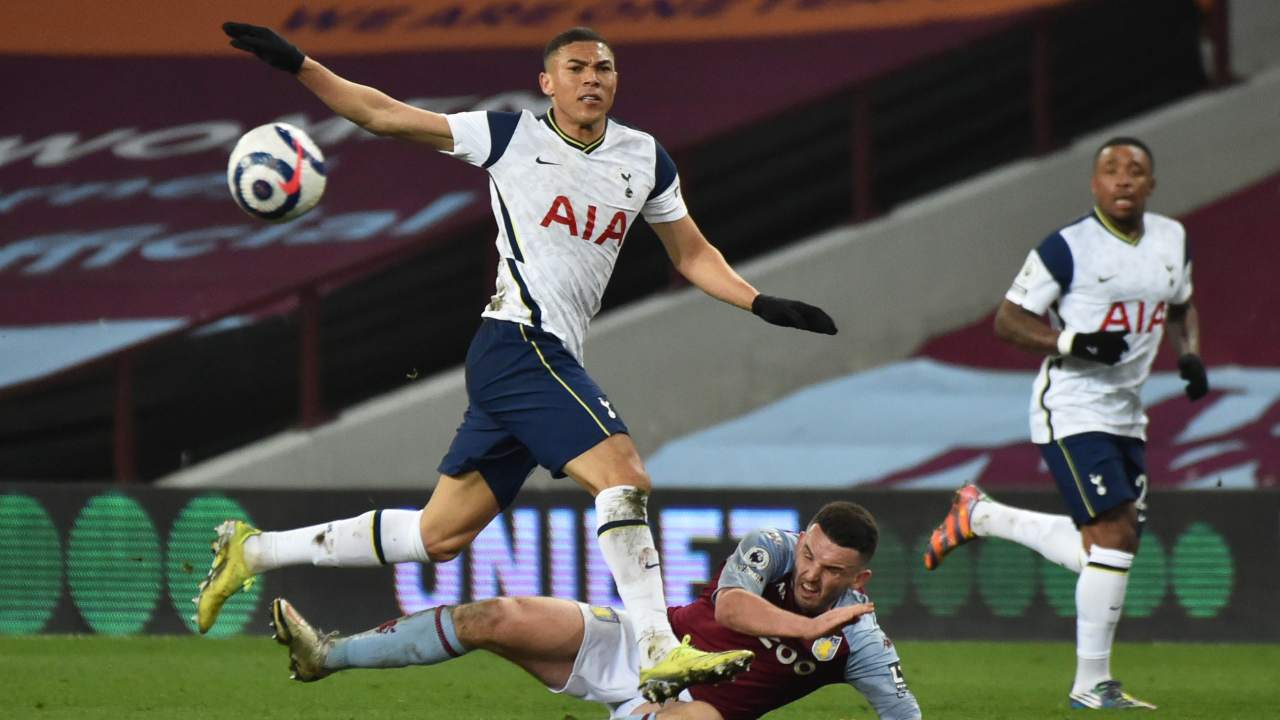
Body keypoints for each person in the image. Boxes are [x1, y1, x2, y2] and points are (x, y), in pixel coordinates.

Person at [198, 23, 839, 701]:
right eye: (577, 67)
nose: (593, 78)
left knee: (437, 535)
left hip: (539, 356)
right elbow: (380, 114)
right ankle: (659, 646)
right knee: (622, 475)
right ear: (548, 83)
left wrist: (759, 302)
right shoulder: (509, 138)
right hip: (518, 342)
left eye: (605, 68)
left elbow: (690, 253)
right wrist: (300, 64)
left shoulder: (645, 159)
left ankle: (255, 550)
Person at [922, 137, 1207, 710]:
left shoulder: (1172, 239)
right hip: (1072, 406)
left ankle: (980, 515)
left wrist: (1191, 352)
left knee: (1106, 550)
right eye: (1111, 170)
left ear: (1151, 185)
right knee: (1115, 536)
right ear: (1094, 185)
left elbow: (1181, 302)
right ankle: (1091, 686)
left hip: (1128, 412)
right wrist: (1071, 339)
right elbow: (1007, 320)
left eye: (1136, 170)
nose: (1123, 179)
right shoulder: (1067, 247)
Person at [269, 501, 921, 720]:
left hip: (685, 709)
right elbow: (734, 607)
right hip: (638, 646)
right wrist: (807, 626)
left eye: (830, 570)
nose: (809, 572)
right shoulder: (772, 548)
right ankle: (327, 655)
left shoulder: (860, 641)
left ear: (858, 578)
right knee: (495, 616)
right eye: (809, 553)